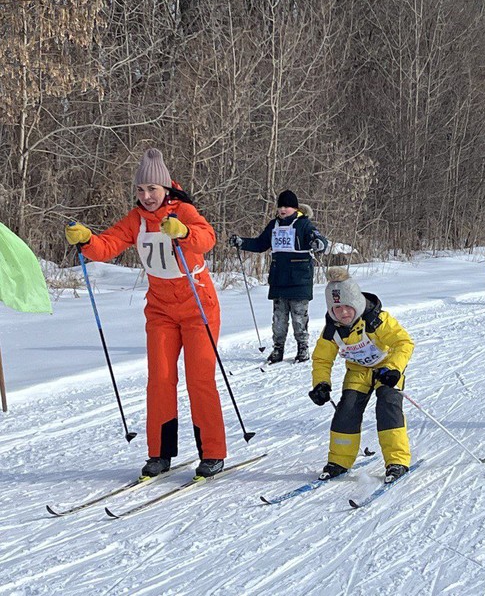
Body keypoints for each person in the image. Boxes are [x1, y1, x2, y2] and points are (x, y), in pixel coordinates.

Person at [64, 148, 227, 478]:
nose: (146, 196)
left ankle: (212, 452)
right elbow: (108, 245)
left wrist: (184, 232)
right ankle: (159, 454)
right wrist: (87, 240)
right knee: (160, 380)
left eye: (152, 189)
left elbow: (207, 239)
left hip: (198, 305)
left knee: (199, 379)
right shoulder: (136, 219)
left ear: (165, 188)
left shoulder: (183, 211)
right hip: (160, 309)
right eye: (140, 190)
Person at [308, 267, 415, 484]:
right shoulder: (332, 330)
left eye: (348, 306)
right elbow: (322, 359)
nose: (344, 313)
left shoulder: (376, 320)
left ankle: (396, 461)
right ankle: (339, 461)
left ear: (356, 302)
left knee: (388, 406)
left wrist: (394, 368)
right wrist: (321, 384)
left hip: (386, 370)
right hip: (358, 372)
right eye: (337, 308)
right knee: (346, 410)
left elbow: (403, 342)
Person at [228, 190, 327, 364]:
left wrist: (318, 244)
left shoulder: (304, 224)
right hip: (279, 279)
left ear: (295, 208)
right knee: (279, 319)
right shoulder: (274, 225)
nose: (282, 210)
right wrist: (242, 243)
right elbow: (260, 244)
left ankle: (302, 348)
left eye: (286, 207)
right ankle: (278, 348)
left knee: (299, 317)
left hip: (300, 280)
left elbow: (320, 239)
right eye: (280, 206)